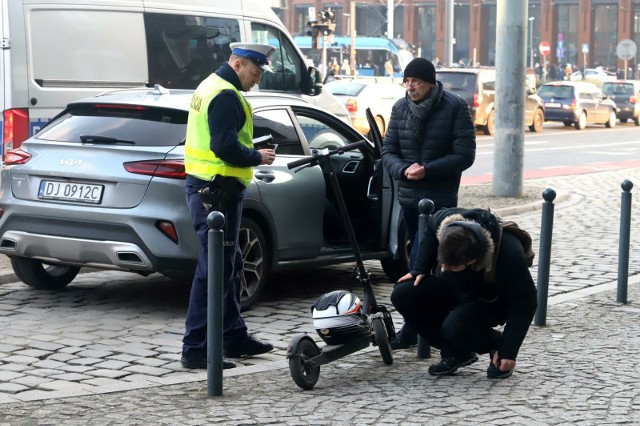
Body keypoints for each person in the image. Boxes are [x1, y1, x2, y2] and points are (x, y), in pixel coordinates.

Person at [181, 42, 276, 370]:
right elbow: (223, 146)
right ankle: (195, 349)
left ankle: (233, 336)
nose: (257, 80)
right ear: (238, 64)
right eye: (255, 72)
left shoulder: (210, 85)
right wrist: (256, 156)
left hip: (213, 191)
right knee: (214, 271)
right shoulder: (224, 95)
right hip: (215, 193)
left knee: (229, 263)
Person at [381, 58, 476, 349]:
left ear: (431, 83)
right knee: (417, 261)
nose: (410, 87)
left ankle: (425, 327)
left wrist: (428, 169)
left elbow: (464, 155)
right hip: (410, 198)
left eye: (416, 82)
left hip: (440, 202)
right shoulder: (400, 108)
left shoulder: (454, 107)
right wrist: (402, 170)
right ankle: (418, 324)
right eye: (406, 81)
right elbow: (388, 150)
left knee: (435, 262)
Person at [390, 207, 538, 379]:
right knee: (403, 293)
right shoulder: (446, 221)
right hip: (455, 284)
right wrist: (419, 268)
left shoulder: (509, 252)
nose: (444, 267)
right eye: (443, 263)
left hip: (491, 297)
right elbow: (431, 228)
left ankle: (495, 344)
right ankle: (456, 352)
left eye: (451, 266)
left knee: (455, 326)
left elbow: (526, 301)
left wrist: (508, 349)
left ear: (472, 260)